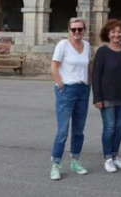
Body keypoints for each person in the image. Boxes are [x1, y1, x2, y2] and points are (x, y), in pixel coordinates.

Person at [49, 17, 91, 181]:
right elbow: (54, 66)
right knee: (63, 131)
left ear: (84, 30)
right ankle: (56, 164)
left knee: (79, 130)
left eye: (80, 29)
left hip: (83, 89)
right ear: (69, 30)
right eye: (73, 29)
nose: (77, 32)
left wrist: (88, 82)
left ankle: (75, 161)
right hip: (67, 90)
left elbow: (88, 65)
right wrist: (60, 84)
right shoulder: (63, 45)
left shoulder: (86, 45)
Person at [92, 19, 121, 173]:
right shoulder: (102, 52)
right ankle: (108, 158)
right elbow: (96, 76)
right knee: (109, 128)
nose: (116, 34)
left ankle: (116, 156)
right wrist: (97, 98)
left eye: (119, 31)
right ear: (108, 34)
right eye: (113, 31)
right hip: (107, 96)